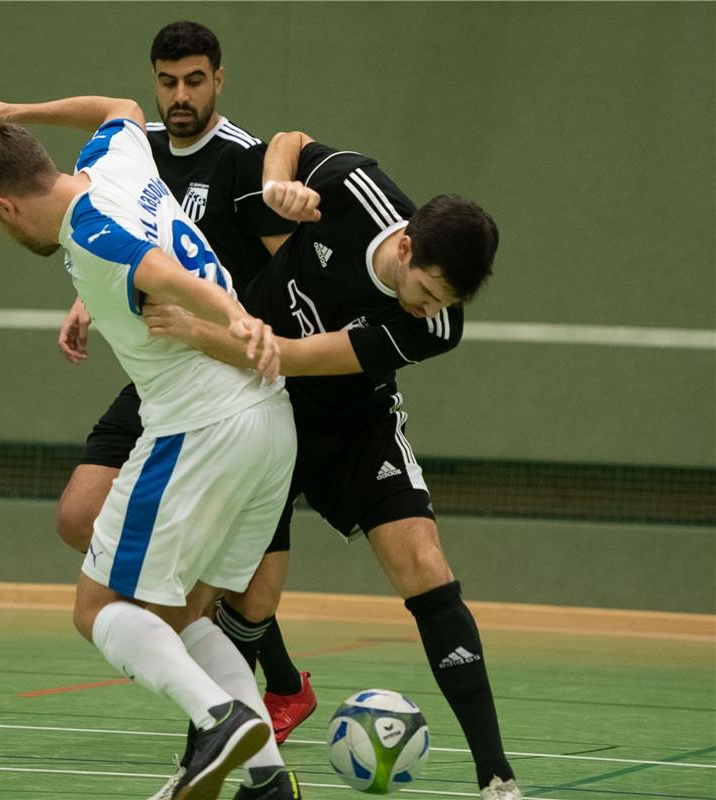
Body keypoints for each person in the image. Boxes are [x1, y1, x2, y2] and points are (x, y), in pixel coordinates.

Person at [144, 130, 523, 800]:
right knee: (244, 600)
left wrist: (199, 333)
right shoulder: (355, 189)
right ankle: (199, 759)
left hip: (351, 422)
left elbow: (293, 355)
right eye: (429, 289)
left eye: (449, 302)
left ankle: (497, 777)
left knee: (424, 565)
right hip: (261, 411)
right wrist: (280, 183)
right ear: (406, 246)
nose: (432, 309)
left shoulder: (435, 327)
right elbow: (287, 140)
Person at [0, 94, 301, 800]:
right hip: (269, 424)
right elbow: (122, 105)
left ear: (6, 207)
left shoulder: (89, 233)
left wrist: (241, 318)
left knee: (97, 608)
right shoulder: (111, 158)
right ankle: (266, 783)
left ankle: (219, 717)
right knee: (186, 613)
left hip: (204, 424)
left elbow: (157, 270)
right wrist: (9, 109)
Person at [54, 21, 317, 750]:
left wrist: (237, 332)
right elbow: (126, 246)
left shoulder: (240, 164)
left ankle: (252, 706)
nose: (179, 96)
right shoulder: (138, 148)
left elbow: (289, 273)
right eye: (167, 82)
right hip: (163, 375)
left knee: (237, 597)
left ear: (219, 80)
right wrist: (91, 298)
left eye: (194, 81)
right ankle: (234, 716)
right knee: (81, 516)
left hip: (236, 374)